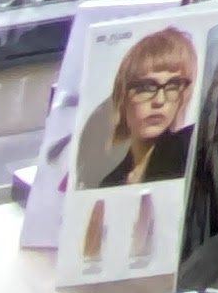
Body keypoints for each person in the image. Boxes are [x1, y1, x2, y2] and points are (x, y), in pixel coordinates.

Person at [75, 25, 198, 188]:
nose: (160, 100)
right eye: (146, 87)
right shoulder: (109, 182)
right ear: (123, 96)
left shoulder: (193, 151)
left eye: (173, 86)